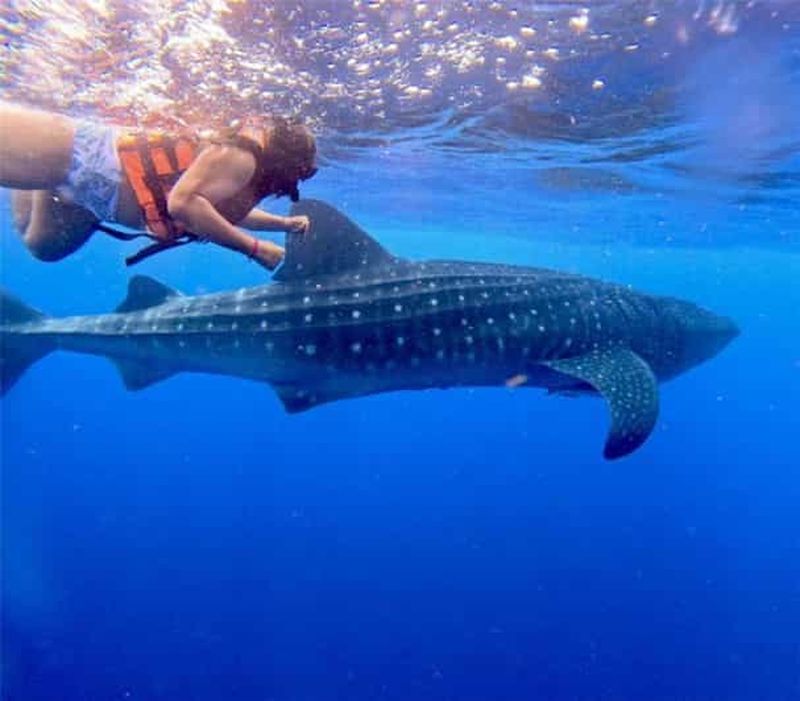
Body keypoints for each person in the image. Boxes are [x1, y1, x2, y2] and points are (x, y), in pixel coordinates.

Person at [0, 102, 318, 269]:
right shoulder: (243, 158)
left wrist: (284, 224)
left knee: (43, 246)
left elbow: (218, 211)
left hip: (95, 198)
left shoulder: (247, 176)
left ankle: (49, 182)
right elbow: (183, 204)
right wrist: (254, 249)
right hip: (87, 158)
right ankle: (48, 169)